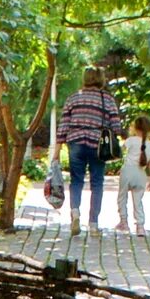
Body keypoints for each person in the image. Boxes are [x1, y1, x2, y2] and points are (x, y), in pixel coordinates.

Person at [56, 70, 125, 232]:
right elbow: (116, 126)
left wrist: (57, 151)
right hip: (97, 145)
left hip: (76, 142)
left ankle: (75, 212)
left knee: (76, 180)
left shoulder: (74, 97)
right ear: (101, 79)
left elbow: (63, 125)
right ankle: (93, 223)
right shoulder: (107, 99)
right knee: (97, 183)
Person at [115, 113, 150, 235]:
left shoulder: (130, 141)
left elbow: (118, 152)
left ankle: (123, 222)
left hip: (127, 171)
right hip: (141, 174)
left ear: (134, 128)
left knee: (122, 197)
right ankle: (140, 226)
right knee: (138, 200)